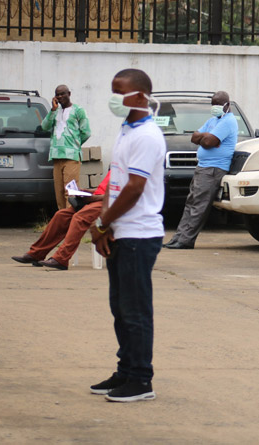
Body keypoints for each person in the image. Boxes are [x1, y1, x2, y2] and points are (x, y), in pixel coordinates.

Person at [90, 68, 166, 403]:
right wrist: (104, 223)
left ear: (138, 96)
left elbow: (135, 189)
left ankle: (141, 380)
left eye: (118, 91)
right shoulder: (126, 129)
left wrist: (104, 224)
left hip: (139, 234)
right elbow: (115, 180)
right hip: (121, 230)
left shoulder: (148, 135)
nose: (113, 98)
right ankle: (125, 370)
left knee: (135, 311)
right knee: (120, 307)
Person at [164, 91, 238, 249]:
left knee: (199, 205)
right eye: (213, 104)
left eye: (218, 104)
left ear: (227, 105)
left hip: (214, 168)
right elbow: (194, 137)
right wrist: (206, 137)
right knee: (190, 203)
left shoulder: (228, 121)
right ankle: (178, 237)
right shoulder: (213, 120)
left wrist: (205, 138)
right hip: (203, 166)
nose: (215, 107)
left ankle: (186, 240)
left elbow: (209, 142)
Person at [11, 172, 110, 270]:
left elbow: (120, 194)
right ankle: (36, 254)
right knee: (61, 215)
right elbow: (105, 189)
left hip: (109, 202)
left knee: (80, 217)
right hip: (99, 199)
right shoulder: (115, 165)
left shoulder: (124, 165)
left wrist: (94, 198)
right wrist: (86, 192)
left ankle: (61, 258)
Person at [40, 85, 92, 210]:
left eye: (63, 94)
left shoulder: (78, 110)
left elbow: (86, 132)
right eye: (57, 94)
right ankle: (63, 223)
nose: (60, 96)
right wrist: (53, 110)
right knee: (59, 194)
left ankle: (70, 223)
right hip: (56, 156)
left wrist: (74, 145)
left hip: (71, 157)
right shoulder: (55, 112)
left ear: (69, 94)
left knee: (70, 193)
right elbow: (44, 127)